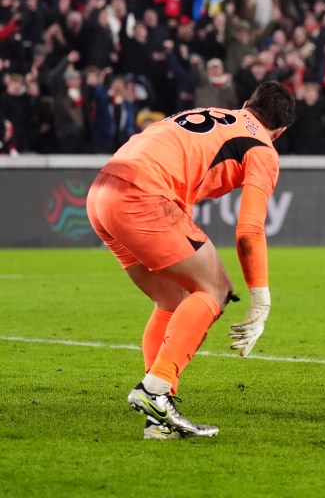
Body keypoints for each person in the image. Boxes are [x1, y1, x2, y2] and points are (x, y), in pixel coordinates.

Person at [85, 81, 296, 439]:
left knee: (171, 300)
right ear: (281, 131)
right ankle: (154, 389)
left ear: (246, 102)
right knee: (216, 289)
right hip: (144, 194)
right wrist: (261, 299)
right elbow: (249, 231)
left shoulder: (214, 115)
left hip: (102, 191)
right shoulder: (263, 147)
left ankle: (159, 411)